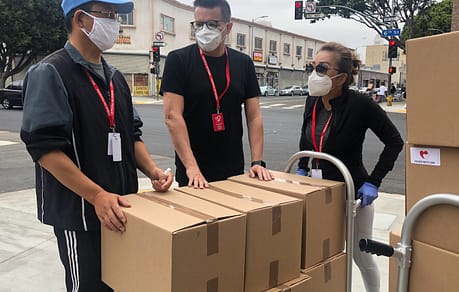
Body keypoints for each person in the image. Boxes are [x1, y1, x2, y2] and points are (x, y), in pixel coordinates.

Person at [20, 1, 173, 291]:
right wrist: (97, 195)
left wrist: (153, 171)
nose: (116, 23)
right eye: (109, 15)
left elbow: (132, 135)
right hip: (80, 215)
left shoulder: (115, 78)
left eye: (117, 16)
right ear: (80, 19)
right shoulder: (51, 72)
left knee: (123, 283)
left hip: (120, 209)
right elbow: (44, 149)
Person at [295, 42, 403, 292]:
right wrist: (303, 166)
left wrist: (374, 182)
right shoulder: (313, 101)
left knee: (360, 255)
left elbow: (394, 141)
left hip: (354, 194)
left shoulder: (360, 104)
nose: (314, 74)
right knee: (320, 252)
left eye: (322, 68)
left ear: (341, 77)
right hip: (319, 192)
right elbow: (305, 136)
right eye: (312, 67)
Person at [160, 0, 273, 188]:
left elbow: (254, 117)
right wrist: (191, 167)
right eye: (199, 24)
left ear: (228, 27)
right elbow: (172, 116)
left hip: (233, 168)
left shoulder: (243, 63)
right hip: (193, 172)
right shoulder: (178, 60)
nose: (205, 29)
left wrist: (257, 162)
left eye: (213, 24)